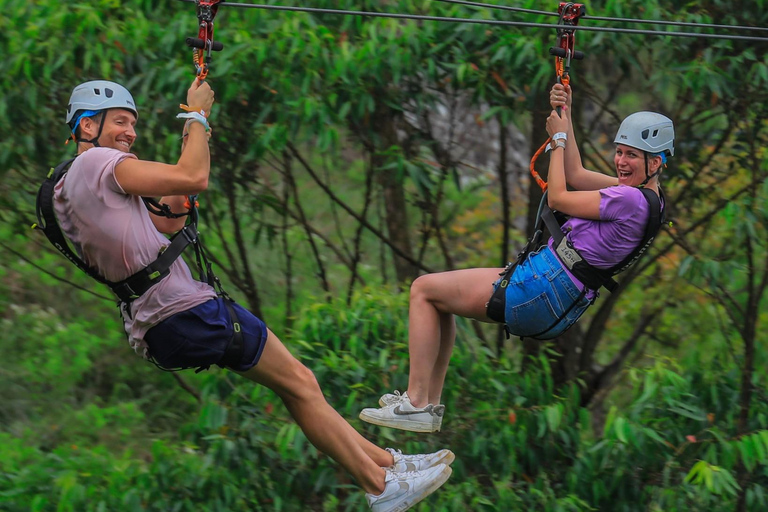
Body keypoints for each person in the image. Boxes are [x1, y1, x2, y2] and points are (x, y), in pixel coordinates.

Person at [47, 78, 453, 511]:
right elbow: (193, 176)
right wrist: (199, 116)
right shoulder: (98, 165)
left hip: (163, 323)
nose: (130, 132)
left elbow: (168, 221)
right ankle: (380, 484)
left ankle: (390, 465)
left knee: (298, 385)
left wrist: (192, 130)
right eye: (121, 122)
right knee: (299, 383)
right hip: (183, 310)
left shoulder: (69, 184)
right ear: (87, 127)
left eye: (133, 124)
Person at [359, 83, 674, 433]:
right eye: (618, 151)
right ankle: (427, 405)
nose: (620, 161)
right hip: (555, 294)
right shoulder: (650, 202)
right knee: (438, 299)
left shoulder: (626, 200)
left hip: (540, 288)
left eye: (631, 155)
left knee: (422, 290)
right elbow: (575, 175)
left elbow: (557, 196)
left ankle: (416, 402)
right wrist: (564, 117)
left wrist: (557, 142)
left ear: (655, 162)